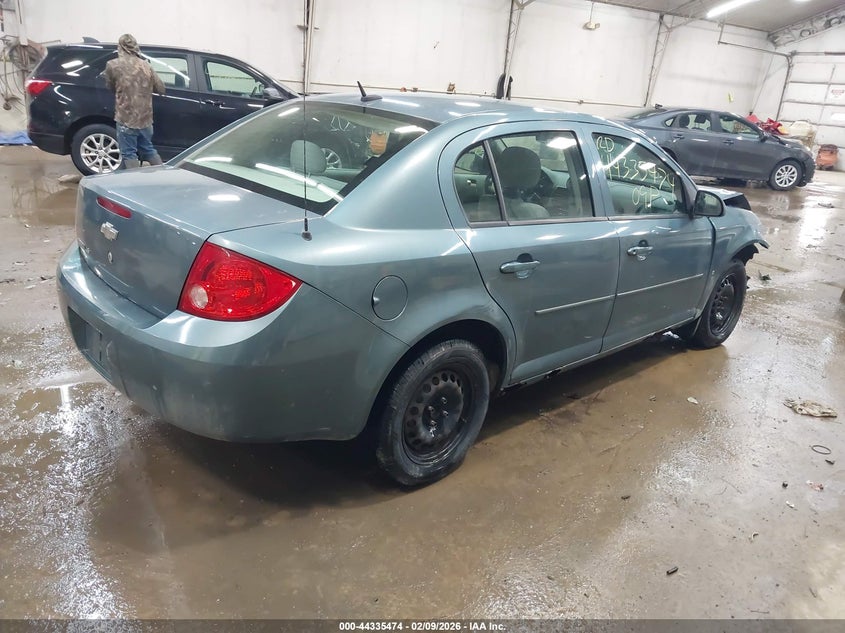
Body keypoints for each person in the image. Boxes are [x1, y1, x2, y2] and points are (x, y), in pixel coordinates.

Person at [101, 34, 166, 169]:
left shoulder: (112, 65)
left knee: (129, 153)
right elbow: (161, 89)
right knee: (148, 149)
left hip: (126, 119)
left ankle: (135, 183)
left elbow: (110, 87)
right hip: (146, 120)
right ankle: (163, 174)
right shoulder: (146, 65)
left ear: (120, 47)